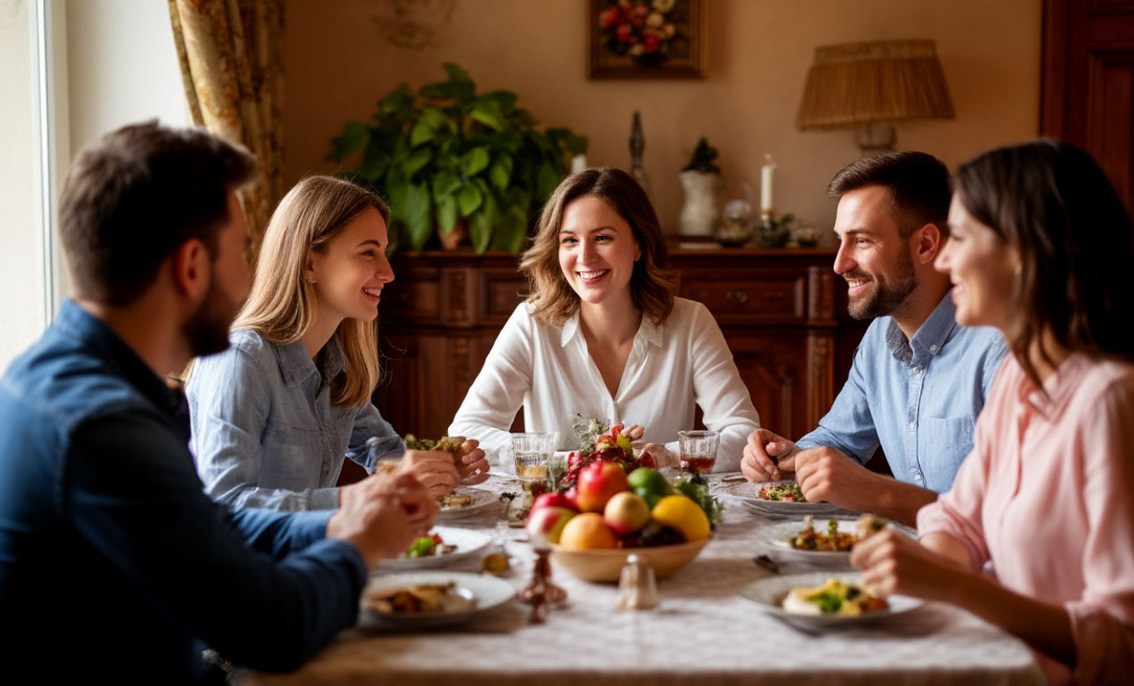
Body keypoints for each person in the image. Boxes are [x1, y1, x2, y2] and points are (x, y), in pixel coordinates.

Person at [0, 121, 438, 683]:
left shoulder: (66, 379)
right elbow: (271, 627)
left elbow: (211, 525)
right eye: (239, 252)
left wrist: (344, 519)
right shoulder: (105, 427)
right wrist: (360, 545)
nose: (247, 277)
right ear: (190, 267)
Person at [851, 140, 1134, 685]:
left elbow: (1131, 648)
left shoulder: (1116, 403)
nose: (941, 259)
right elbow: (959, 520)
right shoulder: (1020, 378)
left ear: (1026, 251)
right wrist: (921, 567)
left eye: (960, 237)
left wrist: (950, 586)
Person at [186, 175, 489, 511]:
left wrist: (439, 468)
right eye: (368, 252)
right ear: (310, 262)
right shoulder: (239, 359)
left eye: (383, 252)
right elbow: (225, 503)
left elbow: (382, 450)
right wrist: (360, 496)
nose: (388, 272)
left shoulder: (334, 360)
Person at [741, 152, 1008, 526]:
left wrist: (877, 492)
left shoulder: (999, 349)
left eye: (861, 241)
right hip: (911, 558)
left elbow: (1010, 519)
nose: (839, 263)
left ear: (926, 245)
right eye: (840, 240)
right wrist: (787, 456)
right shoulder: (878, 338)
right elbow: (840, 442)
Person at [448, 167, 759, 471]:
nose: (585, 257)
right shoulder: (532, 323)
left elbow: (742, 434)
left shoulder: (692, 322)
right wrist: (566, 462)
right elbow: (469, 432)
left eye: (602, 238)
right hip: (562, 516)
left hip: (659, 513)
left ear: (639, 244)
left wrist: (668, 456)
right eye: (569, 240)